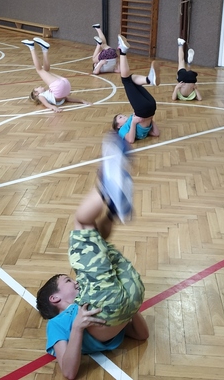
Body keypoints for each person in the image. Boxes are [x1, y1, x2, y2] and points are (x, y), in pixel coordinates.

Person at [36, 133, 148, 380]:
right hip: (108, 304)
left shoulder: (87, 293)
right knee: (81, 222)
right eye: (68, 281)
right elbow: (68, 372)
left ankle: (112, 210)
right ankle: (106, 187)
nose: (74, 280)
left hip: (128, 298)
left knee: (95, 240)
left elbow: (141, 335)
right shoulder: (58, 324)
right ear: (55, 298)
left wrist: (130, 308)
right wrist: (77, 327)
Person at [112, 35, 160, 144]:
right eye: (120, 117)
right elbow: (130, 140)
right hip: (144, 110)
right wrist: (134, 123)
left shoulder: (131, 120)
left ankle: (149, 79)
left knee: (130, 80)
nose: (124, 116)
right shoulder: (122, 130)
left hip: (151, 107)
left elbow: (155, 134)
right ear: (118, 126)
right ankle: (123, 51)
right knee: (126, 80)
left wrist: (149, 118)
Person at [22, 37, 91, 112]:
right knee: (39, 70)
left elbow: (68, 98)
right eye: (37, 87)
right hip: (60, 86)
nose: (40, 86)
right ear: (36, 93)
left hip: (66, 86)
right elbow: (47, 105)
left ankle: (45, 49)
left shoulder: (49, 94)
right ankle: (32, 47)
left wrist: (82, 101)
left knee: (46, 71)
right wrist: (54, 108)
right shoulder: (41, 96)